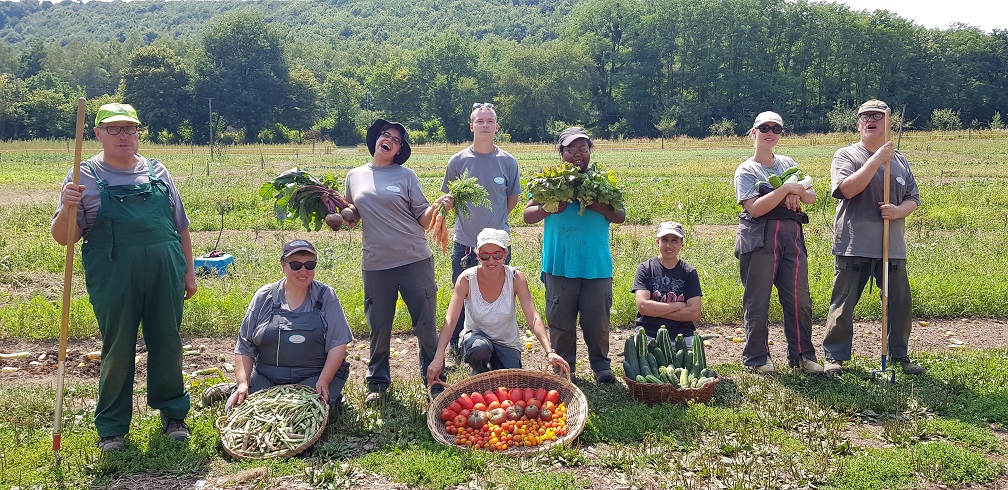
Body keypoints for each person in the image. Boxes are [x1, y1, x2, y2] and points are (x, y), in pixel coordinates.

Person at [50, 103, 197, 452]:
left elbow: (182, 227)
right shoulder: (80, 176)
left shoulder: (158, 170)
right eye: (114, 129)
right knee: (117, 347)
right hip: (114, 274)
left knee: (167, 341)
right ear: (98, 133)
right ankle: (113, 428)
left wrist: (189, 272)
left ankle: (173, 414)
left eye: (129, 128)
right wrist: (68, 207)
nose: (123, 136)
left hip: (166, 269)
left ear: (138, 132)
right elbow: (64, 238)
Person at [344, 118, 451, 404]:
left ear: (399, 149)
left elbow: (423, 219)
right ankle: (377, 382)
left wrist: (437, 207)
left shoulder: (406, 176)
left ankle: (435, 379)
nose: (388, 139)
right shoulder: (354, 176)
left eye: (395, 138)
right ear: (376, 141)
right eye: (384, 134)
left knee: (425, 324)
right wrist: (341, 214)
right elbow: (351, 216)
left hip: (414, 259)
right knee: (379, 325)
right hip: (377, 264)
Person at [823, 99, 924, 376]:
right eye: (865, 116)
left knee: (899, 303)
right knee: (843, 303)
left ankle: (899, 355)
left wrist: (897, 210)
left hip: (892, 246)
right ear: (858, 124)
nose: (871, 119)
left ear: (888, 123)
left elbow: (913, 198)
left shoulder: (900, 160)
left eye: (878, 116)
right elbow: (846, 189)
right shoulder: (846, 155)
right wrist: (877, 159)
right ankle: (835, 356)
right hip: (854, 243)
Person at [523, 127, 626, 383]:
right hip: (559, 263)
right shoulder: (550, 182)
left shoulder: (602, 182)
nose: (577, 154)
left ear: (590, 151)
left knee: (597, 320)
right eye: (571, 149)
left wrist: (595, 205)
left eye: (582, 148)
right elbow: (527, 216)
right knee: (560, 322)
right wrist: (550, 207)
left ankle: (601, 365)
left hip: (596, 265)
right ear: (561, 152)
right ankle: (564, 368)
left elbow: (620, 216)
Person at [733, 111, 823, 375]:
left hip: (791, 239)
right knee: (757, 301)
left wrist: (795, 191)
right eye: (764, 128)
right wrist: (786, 191)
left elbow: (811, 197)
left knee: (799, 300)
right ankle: (758, 357)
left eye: (776, 128)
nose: (770, 132)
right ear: (754, 132)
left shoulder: (788, 163)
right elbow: (756, 209)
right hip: (759, 239)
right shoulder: (747, 170)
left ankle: (803, 356)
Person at [427, 228, 569, 383]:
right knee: (479, 349)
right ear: (477, 255)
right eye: (485, 256)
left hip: (506, 341)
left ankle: (493, 372)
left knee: (513, 383)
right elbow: (451, 320)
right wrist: (439, 356)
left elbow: (533, 317)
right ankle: (479, 372)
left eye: (497, 255)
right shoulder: (466, 279)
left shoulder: (515, 278)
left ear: (505, 255)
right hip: (476, 339)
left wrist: (549, 351)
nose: (491, 261)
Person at [230, 239, 352, 413]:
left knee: (299, 416)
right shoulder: (265, 296)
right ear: (283, 265)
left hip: (313, 377)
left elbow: (338, 344)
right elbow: (244, 345)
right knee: (240, 411)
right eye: (296, 265)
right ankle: (232, 389)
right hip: (268, 376)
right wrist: (242, 383)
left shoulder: (326, 296)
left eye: (310, 265)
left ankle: (333, 396)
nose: (303, 271)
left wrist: (324, 380)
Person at [440, 102, 522, 355]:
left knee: (500, 293)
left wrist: (492, 231)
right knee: (462, 293)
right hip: (465, 242)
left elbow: (512, 199)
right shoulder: (458, 161)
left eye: (490, 121)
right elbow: (451, 201)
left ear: (497, 126)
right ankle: (457, 343)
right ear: (471, 126)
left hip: (497, 245)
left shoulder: (507, 162)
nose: (485, 125)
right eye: (480, 121)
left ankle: (499, 341)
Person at [631, 221, 702, 343]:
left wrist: (655, 311)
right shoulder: (645, 269)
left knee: (695, 356)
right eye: (664, 240)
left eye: (674, 240)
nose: (669, 245)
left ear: (681, 244)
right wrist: (678, 306)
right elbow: (643, 306)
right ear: (657, 242)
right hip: (649, 332)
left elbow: (695, 313)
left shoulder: (689, 272)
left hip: (683, 334)